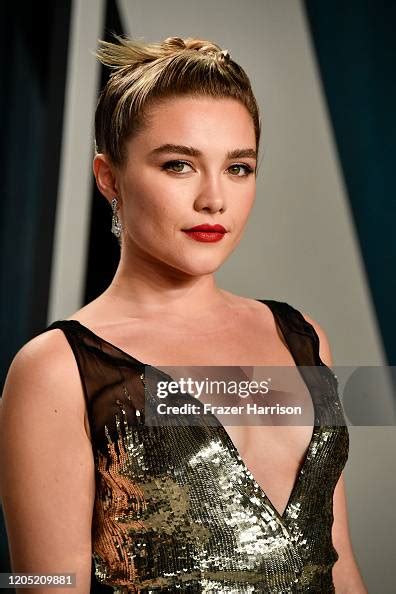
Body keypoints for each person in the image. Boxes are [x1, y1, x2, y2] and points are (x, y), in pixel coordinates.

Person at [0, 35, 367, 593]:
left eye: (239, 168)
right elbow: (42, 583)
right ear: (109, 178)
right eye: (179, 165)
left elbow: (338, 566)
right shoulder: (57, 369)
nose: (214, 199)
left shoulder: (303, 338)